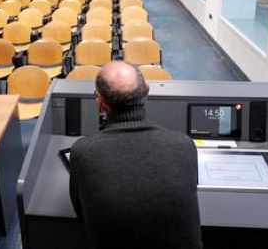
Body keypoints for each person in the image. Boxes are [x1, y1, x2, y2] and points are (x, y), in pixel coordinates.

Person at [68, 61, 202, 249]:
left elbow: (81, 213)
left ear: (101, 104)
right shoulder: (184, 145)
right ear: (146, 90)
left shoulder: (82, 151)